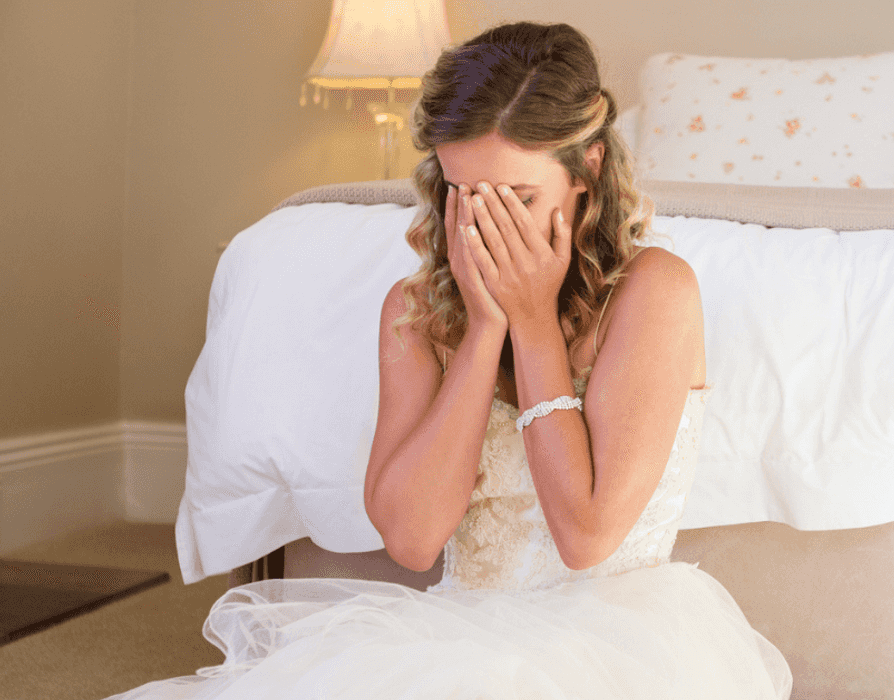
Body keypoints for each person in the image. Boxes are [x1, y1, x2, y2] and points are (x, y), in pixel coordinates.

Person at [106, 21, 791, 700]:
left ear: (587, 168)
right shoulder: (417, 311)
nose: (485, 227)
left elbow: (585, 539)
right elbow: (412, 541)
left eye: (518, 199)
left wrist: (532, 323)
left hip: (614, 648)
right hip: (455, 634)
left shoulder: (654, 290)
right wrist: (484, 328)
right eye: (466, 194)